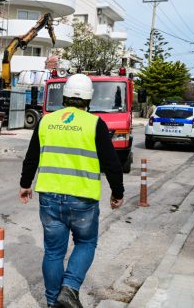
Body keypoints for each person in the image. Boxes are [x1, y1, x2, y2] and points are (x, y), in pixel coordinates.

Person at [18, 74, 124, 308]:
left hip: (50, 197)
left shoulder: (46, 121)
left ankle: (52, 302)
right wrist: (117, 192)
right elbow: (112, 163)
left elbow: (31, 157)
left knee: (53, 252)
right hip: (82, 199)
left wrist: (25, 184)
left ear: (64, 96)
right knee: (85, 243)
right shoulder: (94, 123)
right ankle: (70, 288)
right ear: (89, 99)